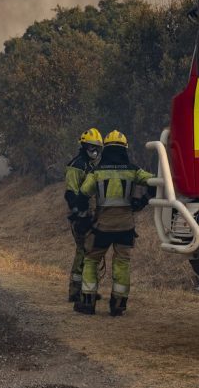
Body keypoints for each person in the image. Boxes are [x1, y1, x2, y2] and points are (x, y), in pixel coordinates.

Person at [73, 130, 153, 316]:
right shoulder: (134, 170)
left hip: (102, 227)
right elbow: (156, 181)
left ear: (106, 149)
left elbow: (82, 194)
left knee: (91, 260)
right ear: (125, 149)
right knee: (122, 262)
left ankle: (87, 302)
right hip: (126, 227)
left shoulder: (97, 172)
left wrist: (84, 217)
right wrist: (142, 201)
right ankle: (118, 305)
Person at [64, 128, 103, 302]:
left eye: (97, 148)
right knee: (83, 251)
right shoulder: (77, 166)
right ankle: (75, 291)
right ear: (84, 146)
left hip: (91, 216)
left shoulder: (91, 165)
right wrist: (79, 215)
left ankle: (87, 289)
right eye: (91, 147)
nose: (95, 151)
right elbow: (71, 193)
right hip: (80, 217)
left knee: (91, 252)